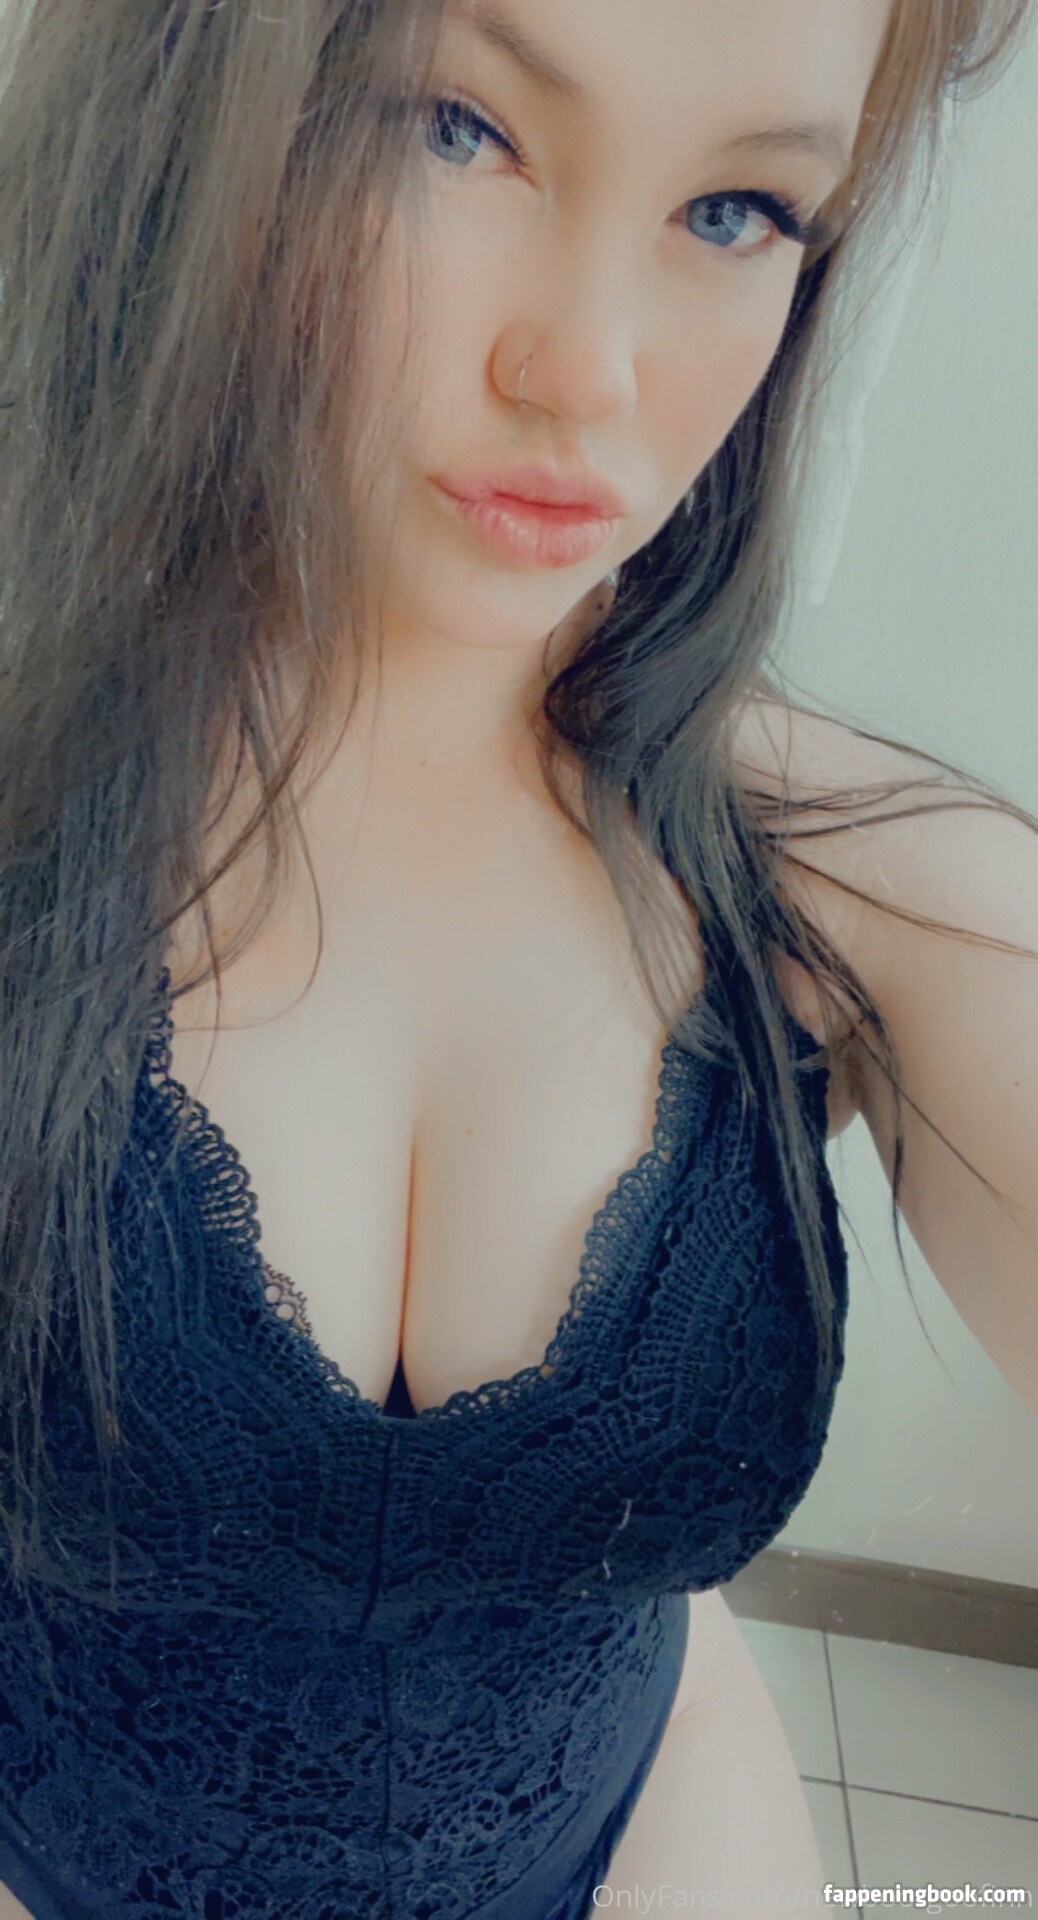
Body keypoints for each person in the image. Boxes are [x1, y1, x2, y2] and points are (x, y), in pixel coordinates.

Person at [0, 1, 1034, 1915]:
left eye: (733, 211)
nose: (590, 372)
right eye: (453, 129)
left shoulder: (865, 896)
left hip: (641, 1833)